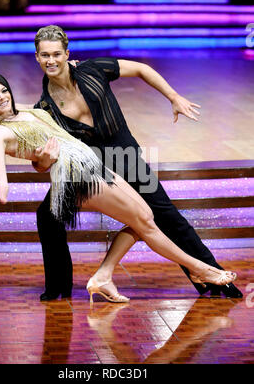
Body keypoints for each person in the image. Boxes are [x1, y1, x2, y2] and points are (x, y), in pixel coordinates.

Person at [0, 71, 237, 305]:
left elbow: (50, 107)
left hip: (94, 166)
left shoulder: (26, 111)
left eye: (4, 90)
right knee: (145, 222)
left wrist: (70, 69)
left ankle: (104, 276)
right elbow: (3, 185)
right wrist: (33, 165)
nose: (3, 97)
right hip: (77, 177)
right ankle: (202, 269)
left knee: (146, 218)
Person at [28, 25, 242, 301]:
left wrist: (173, 96)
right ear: (36, 57)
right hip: (91, 170)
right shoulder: (42, 109)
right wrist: (42, 163)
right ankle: (58, 287)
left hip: (125, 156)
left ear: (67, 53)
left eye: (56, 54)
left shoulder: (93, 69)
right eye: (45, 55)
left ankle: (214, 279)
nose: (51, 61)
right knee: (47, 215)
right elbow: (40, 162)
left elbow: (142, 69)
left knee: (169, 218)